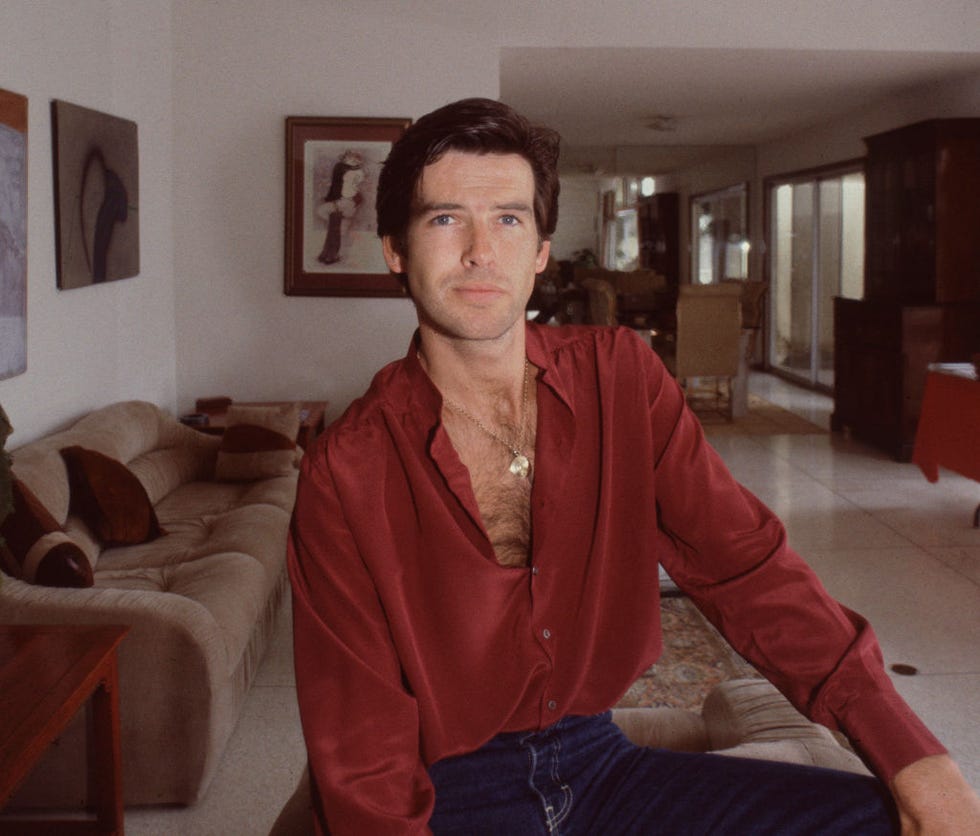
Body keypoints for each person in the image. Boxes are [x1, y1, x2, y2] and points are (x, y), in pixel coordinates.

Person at [287, 98, 980, 835]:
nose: (482, 251)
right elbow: (361, 743)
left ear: (542, 251)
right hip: (457, 791)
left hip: (602, 766)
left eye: (510, 219)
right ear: (396, 248)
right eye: (447, 219)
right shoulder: (344, 470)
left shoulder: (623, 378)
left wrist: (914, 758)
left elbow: (748, 569)